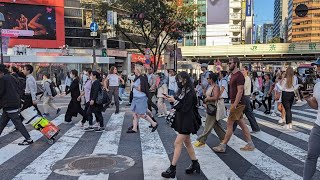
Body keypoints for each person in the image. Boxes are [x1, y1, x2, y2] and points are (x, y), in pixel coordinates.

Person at [161, 72, 201, 178]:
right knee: (187, 143)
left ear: (185, 80)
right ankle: (195, 164)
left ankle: (172, 169)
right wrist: (171, 99)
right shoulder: (183, 90)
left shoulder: (190, 92)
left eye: (180, 79)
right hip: (183, 120)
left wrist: (174, 100)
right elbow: (179, 103)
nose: (178, 81)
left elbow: (185, 108)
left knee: (177, 143)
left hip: (187, 121)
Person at [212, 57, 255, 153]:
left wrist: (234, 104)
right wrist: (218, 66)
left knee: (230, 124)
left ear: (235, 64)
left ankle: (223, 146)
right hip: (236, 103)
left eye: (230, 63)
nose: (228, 64)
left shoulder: (239, 76)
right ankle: (250, 144)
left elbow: (240, 91)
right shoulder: (232, 74)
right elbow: (222, 77)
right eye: (228, 62)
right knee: (242, 124)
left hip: (238, 103)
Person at [0, 64, 33, 145]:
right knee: (2, 122)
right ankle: (28, 138)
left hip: (9, 103)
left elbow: (1, 92)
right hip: (13, 102)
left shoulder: (3, 79)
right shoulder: (12, 77)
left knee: (17, 122)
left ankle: (28, 139)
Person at [193, 73, 226, 147]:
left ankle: (201, 140)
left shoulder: (216, 87)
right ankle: (224, 138)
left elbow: (216, 97)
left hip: (213, 107)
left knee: (208, 125)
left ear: (211, 79)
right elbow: (206, 95)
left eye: (208, 78)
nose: (207, 79)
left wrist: (207, 99)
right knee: (216, 125)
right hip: (209, 107)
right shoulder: (210, 86)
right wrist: (203, 89)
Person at [127, 64, 158, 133]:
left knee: (141, 114)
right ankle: (134, 128)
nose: (134, 70)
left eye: (135, 69)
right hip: (136, 98)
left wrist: (134, 86)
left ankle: (154, 123)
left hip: (141, 98)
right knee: (135, 113)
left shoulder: (142, 78)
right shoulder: (138, 77)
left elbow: (141, 89)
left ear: (138, 70)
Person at [303, 59, 320, 180]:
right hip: (318, 127)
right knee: (311, 156)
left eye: (319, 66)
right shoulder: (318, 85)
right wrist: (308, 99)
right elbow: (315, 105)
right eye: (317, 66)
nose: (317, 69)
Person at [233, 66, 261, 133]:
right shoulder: (243, 78)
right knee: (248, 114)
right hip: (245, 97)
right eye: (241, 70)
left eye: (243, 70)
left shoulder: (247, 78)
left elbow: (242, 88)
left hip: (244, 97)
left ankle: (231, 130)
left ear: (246, 71)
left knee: (237, 114)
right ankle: (256, 128)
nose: (241, 71)